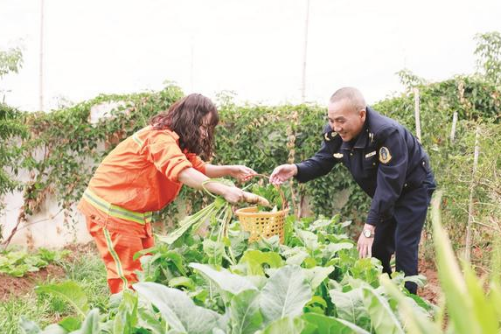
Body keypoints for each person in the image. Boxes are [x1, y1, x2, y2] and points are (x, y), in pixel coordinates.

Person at [78, 93, 263, 293]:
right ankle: (124, 321)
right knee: (128, 278)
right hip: (111, 211)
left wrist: (230, 169)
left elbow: (196, 168)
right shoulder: (160, 138)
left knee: (146, 272)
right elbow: (182, 172)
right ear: (188, 119)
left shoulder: (177, 143)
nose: (204, 134)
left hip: (132, 214)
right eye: (202, 126)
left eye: (208, 129)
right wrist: (224, 190)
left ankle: (141, 317)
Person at [270, 87, 436, 294]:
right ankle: (384, 295)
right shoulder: (336, 134)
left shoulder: (386, 134)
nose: (335, 127)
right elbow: (323, 160)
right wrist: (295, 169)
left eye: (340, 120)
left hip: (412, 189)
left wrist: (369, 227)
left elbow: (389, 184)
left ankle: (409, 307)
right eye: (331, 120)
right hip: (384, 194)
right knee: (376, 249)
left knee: (404, 246)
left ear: (362, 114)